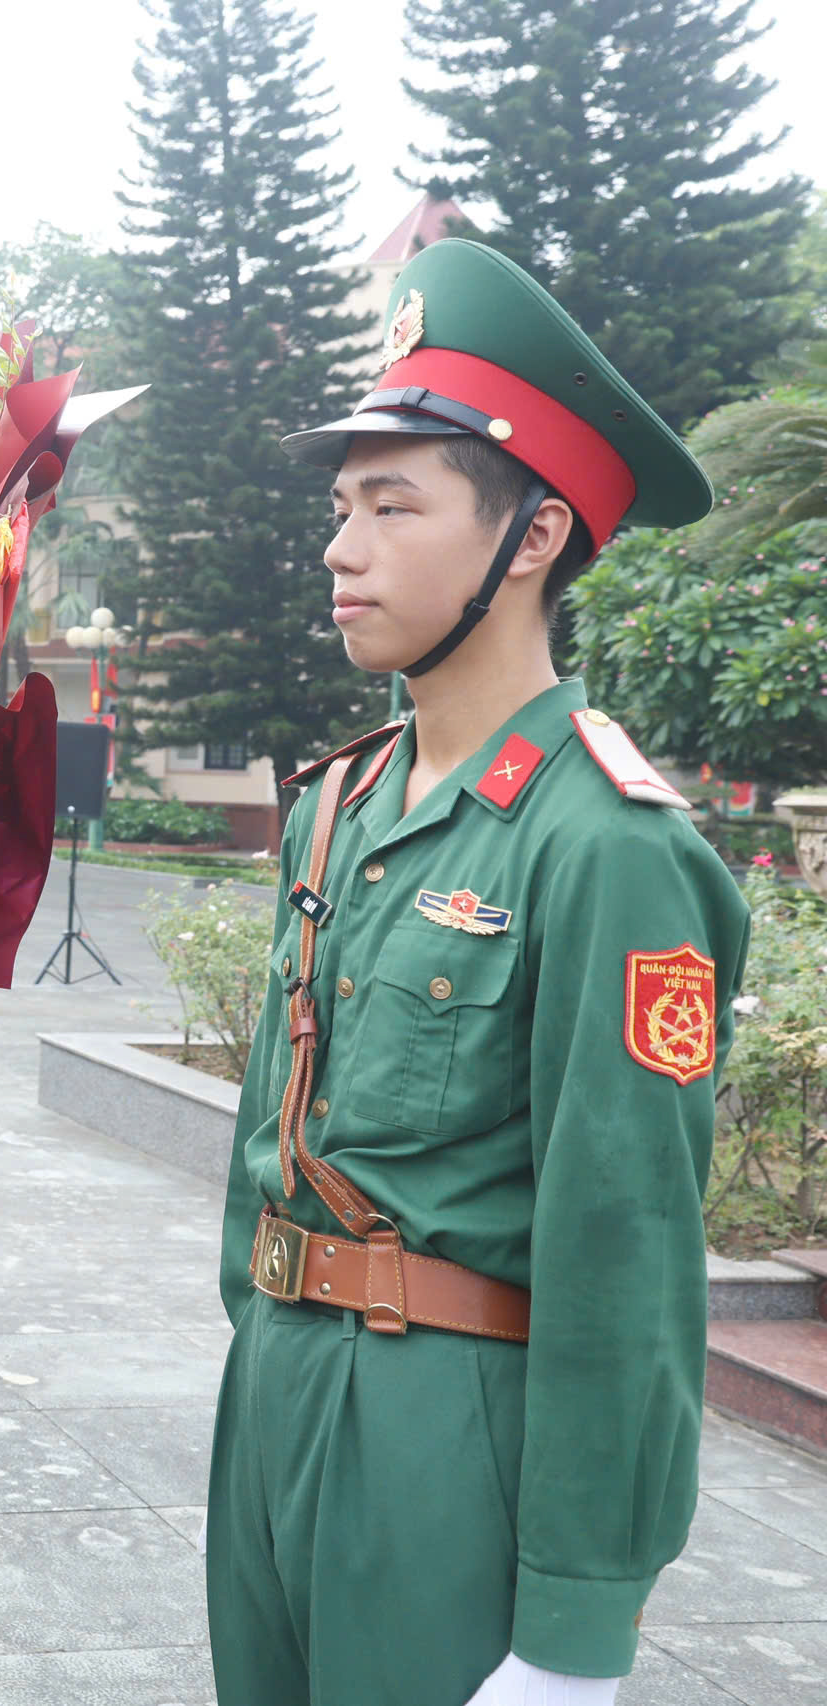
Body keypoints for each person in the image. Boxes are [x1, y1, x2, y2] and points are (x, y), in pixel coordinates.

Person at [207, 238, 753, 1706]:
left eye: (396, 505)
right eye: (340, 507)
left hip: (445, 1432)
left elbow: (626, 1249)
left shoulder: (607, 847)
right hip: (276, 1394)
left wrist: (578, 1626)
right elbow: (278, 1116)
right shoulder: (340, 800)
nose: (343, 548)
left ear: (529, 540)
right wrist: (259, 1339)